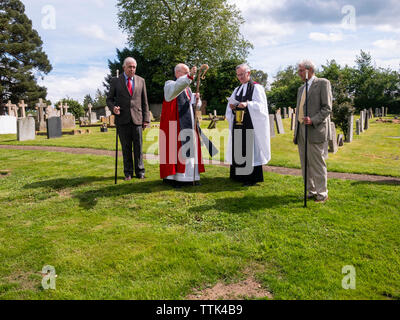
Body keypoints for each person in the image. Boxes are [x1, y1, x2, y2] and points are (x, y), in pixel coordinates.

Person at [159, 63, 204, 188]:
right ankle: (174, 178)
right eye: (185, 73)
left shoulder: (187, 89)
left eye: (188, 73)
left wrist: (197, 99)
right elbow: (176, 88)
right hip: (175, 125)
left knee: (189, 149)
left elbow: (194, 106)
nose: (188, 75)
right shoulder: (170, 84)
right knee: (175, 150)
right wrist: (189, 77)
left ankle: (189, 177)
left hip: (189, 123)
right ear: (177, 73)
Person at [225, 63, 271, 187]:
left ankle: (251, 178)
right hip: (239, 123)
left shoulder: (257, 88)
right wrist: (232, 106)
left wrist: (248, 104)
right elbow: (231, 106)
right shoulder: (237, 89)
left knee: (249, 149)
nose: (239, 77)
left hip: (251, 124)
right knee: (239, 147)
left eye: (242, 74)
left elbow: (261, 106)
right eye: (238, 75)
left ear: (248, 73)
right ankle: (238, 175)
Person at [293, 59, 332, 203]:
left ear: (310, 70)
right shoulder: (301, 89)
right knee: (305, 163)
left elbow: (327, 108)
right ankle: (311, 190)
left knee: (317, 163)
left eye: (301, 70)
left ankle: (322, 193)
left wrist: (314, 119)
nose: (299, 73)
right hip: (301, 129)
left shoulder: (322, 83)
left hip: (315, 129)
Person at [106, 57, 150, 181]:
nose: (132, 69)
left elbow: (145, 102)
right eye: (130, 67)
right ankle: (128, 173)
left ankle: (140, 171)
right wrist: (113, 108)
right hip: (122, 119)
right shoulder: (115, 81)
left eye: (134, 67)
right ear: (124, 67)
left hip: (137, 119)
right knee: (126, 148)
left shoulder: (141, 81)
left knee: (138, 147)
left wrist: (146, 119)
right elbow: (109, 99)